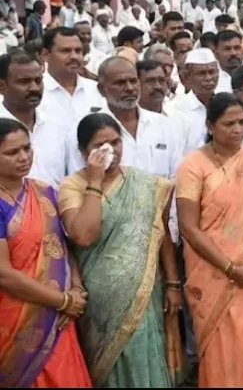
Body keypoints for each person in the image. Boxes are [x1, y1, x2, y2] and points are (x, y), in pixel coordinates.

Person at [58, 113, 182, 386]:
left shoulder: (147, 184)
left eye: (116, 142)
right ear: (83, 152)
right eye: (100, 146)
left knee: (145, 358)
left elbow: (161, 236)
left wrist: (173, 284)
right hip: (99, 303)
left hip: (143, 294)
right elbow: (83, 235)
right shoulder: (72, 186)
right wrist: (95, 180)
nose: (110, 151)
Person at [176, 93, 243, 387]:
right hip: (214, 274)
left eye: (242, 122)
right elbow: (188, 226)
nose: (238, 129)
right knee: (222, 349)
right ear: (211, 126)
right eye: (229, 124)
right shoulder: (193, 165)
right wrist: (230, 269)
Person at [0, 118, 93, 387]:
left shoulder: (44, 191)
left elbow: (62, 248)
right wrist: (61, 300)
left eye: (27, 148)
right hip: (16, 318)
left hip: (59, 317)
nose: (23, 157)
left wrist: (76, 290)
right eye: (11, 152)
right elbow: (3, 274)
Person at [0, 51, 77, 185]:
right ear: (2, 86)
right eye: (24, 82)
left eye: (38, 80)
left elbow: (74, 176)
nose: (34, 88)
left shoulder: (60, 122)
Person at [38, 27, 104, 123]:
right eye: (65, 51)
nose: (74, 56)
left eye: (78, 51)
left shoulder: (96, 90)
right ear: (46, 55)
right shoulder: (35, 92)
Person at [169, 48, 220, 155]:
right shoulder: (175, 109)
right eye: (202, 73)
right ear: (187, 77)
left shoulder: (227, 105)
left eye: (212, 72)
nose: (208, 78)